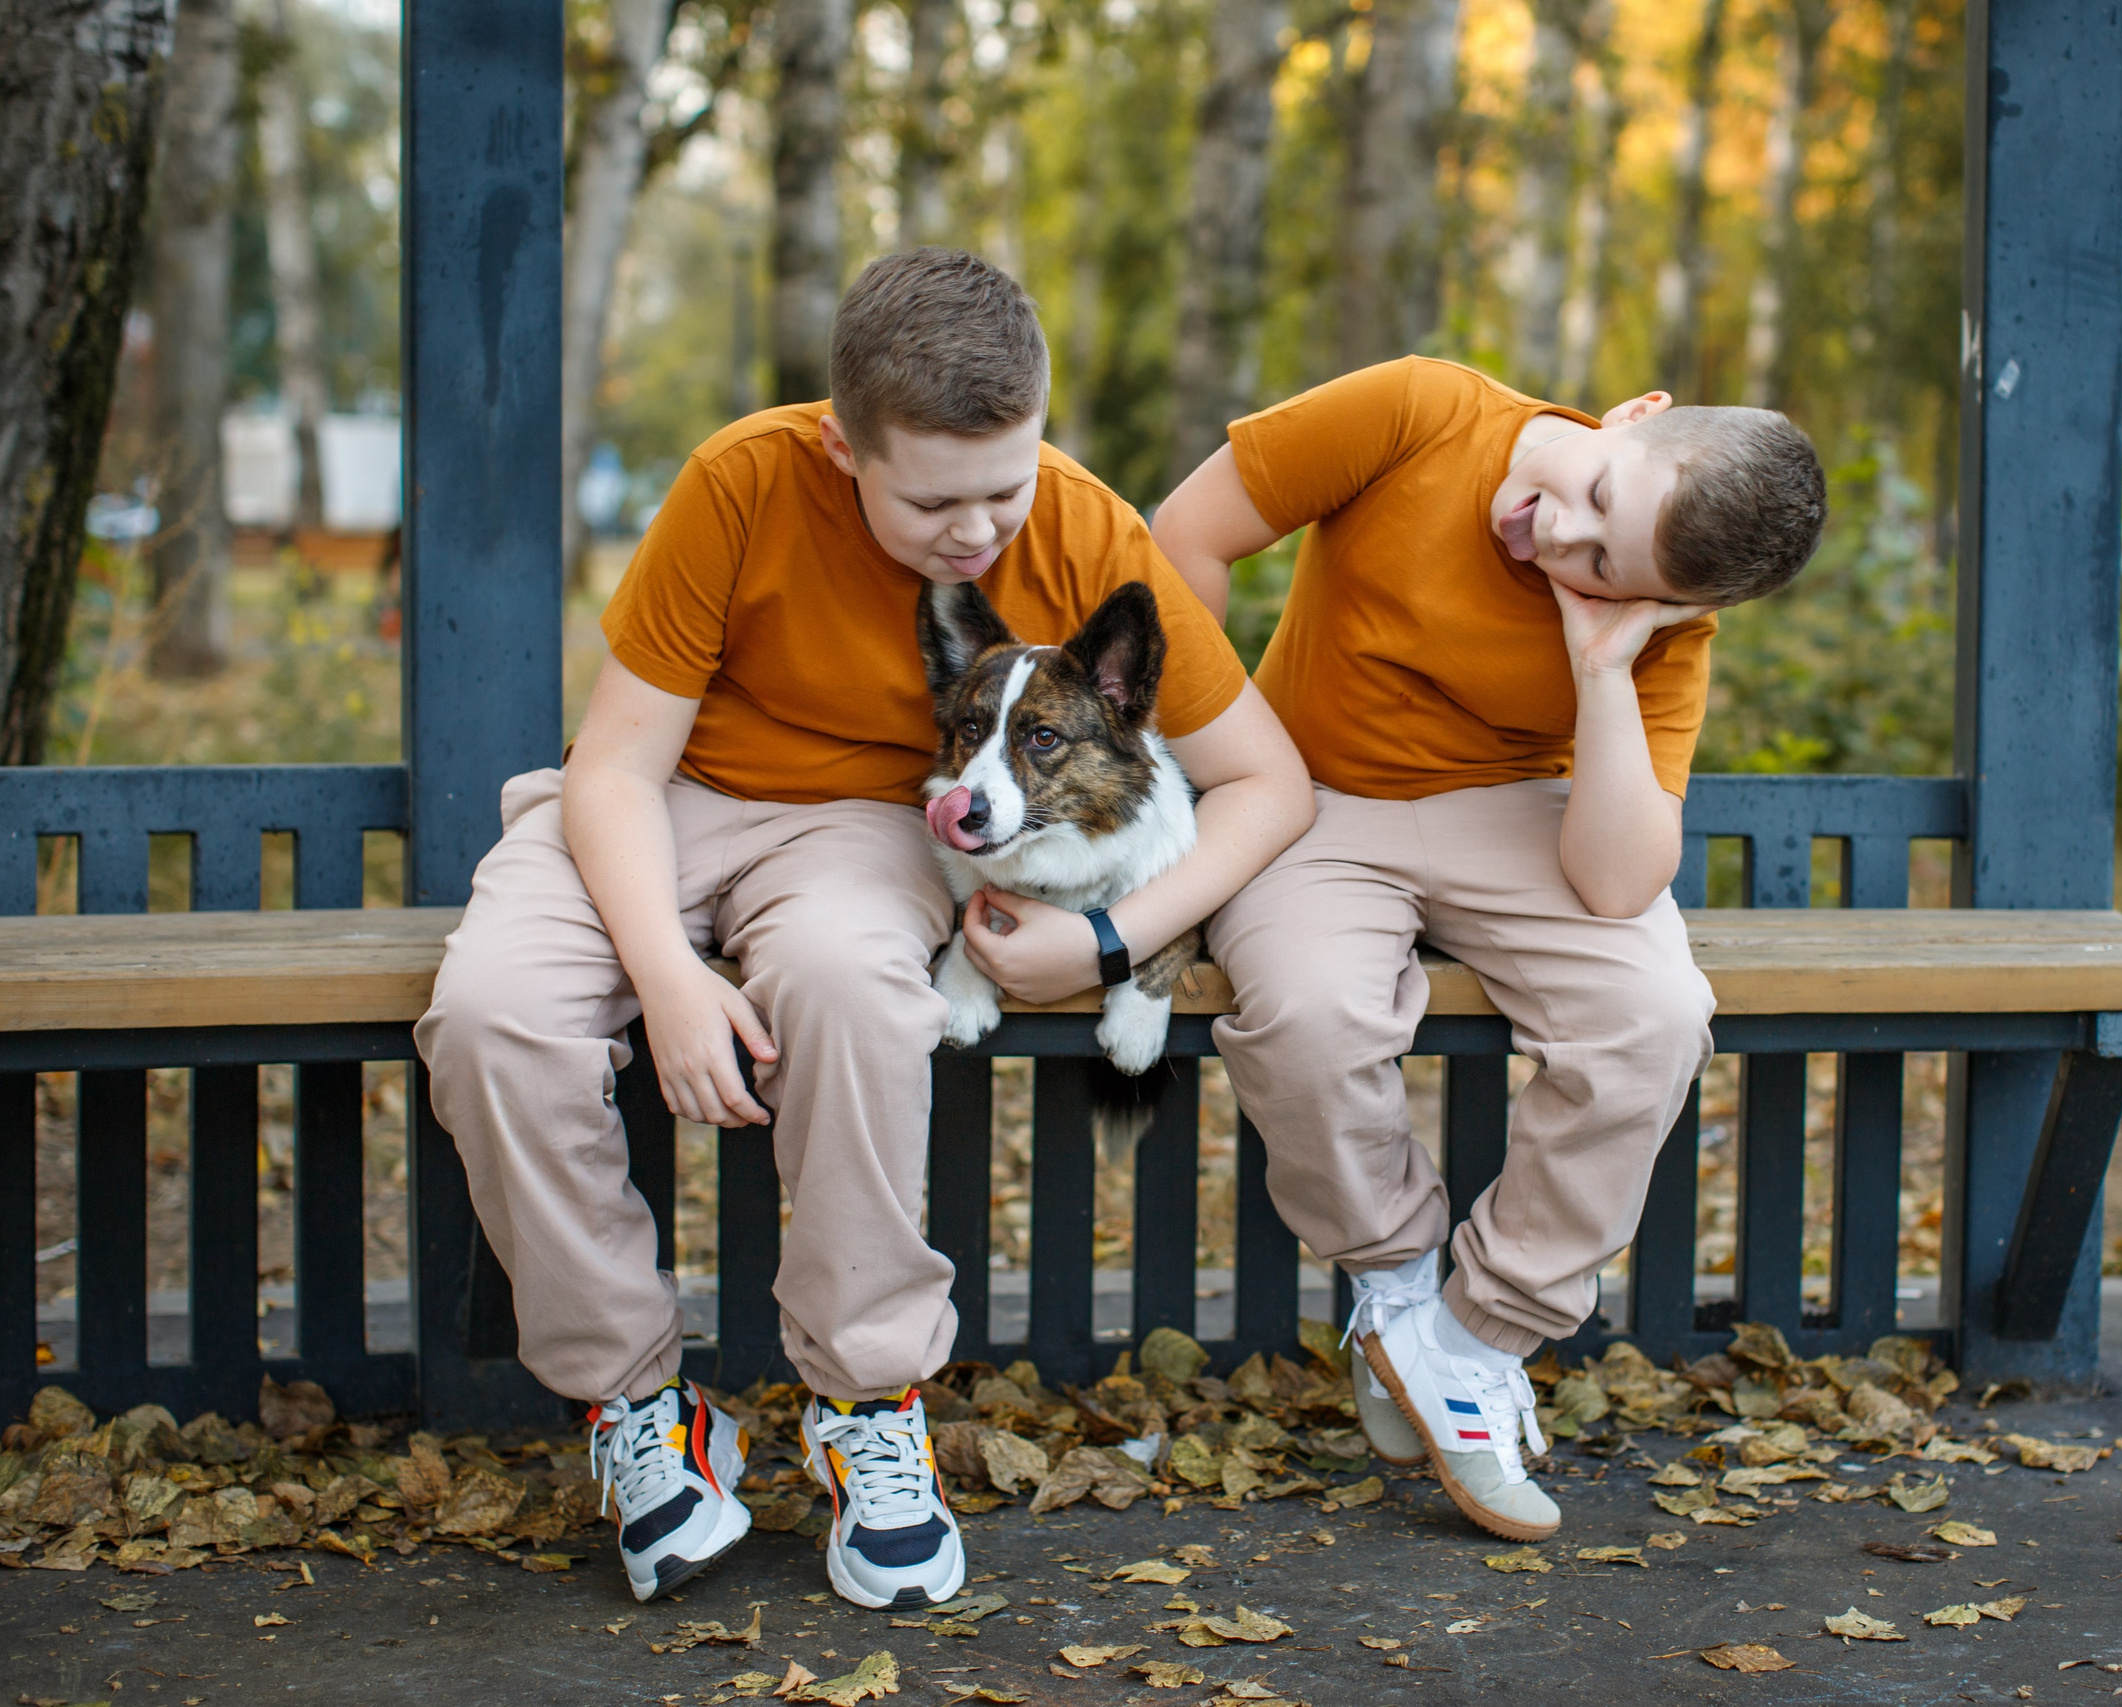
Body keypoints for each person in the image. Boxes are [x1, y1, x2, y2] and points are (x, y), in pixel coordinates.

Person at [416, 250, 1311, 1607]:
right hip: (661, 802)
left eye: (1005, 485)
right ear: (844, 446)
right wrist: (665, 971)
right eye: (935, 499)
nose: (980, 532)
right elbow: (613, 768)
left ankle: (864, 1397)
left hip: (856, 832)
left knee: (852, 988)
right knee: (490, 1016)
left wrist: (1114, 944)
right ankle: (638, 1403)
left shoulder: (1079, 523)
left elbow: (1269, 784)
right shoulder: (743, 480)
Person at [1152, 356, 1825, 1541]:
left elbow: (1614, 882)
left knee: (1655, 1014)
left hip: (1517, 813)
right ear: (1635, 413)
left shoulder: (1664, 629)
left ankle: (1471, 1336)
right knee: (1307, 1014)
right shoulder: (1422, 411)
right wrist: (1220, 762)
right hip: (1313, 797)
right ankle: (1398, 1284)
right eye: (1597, 495)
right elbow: (1184, 537)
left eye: (1604, 565)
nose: (1560, 538)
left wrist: (1604, 666)